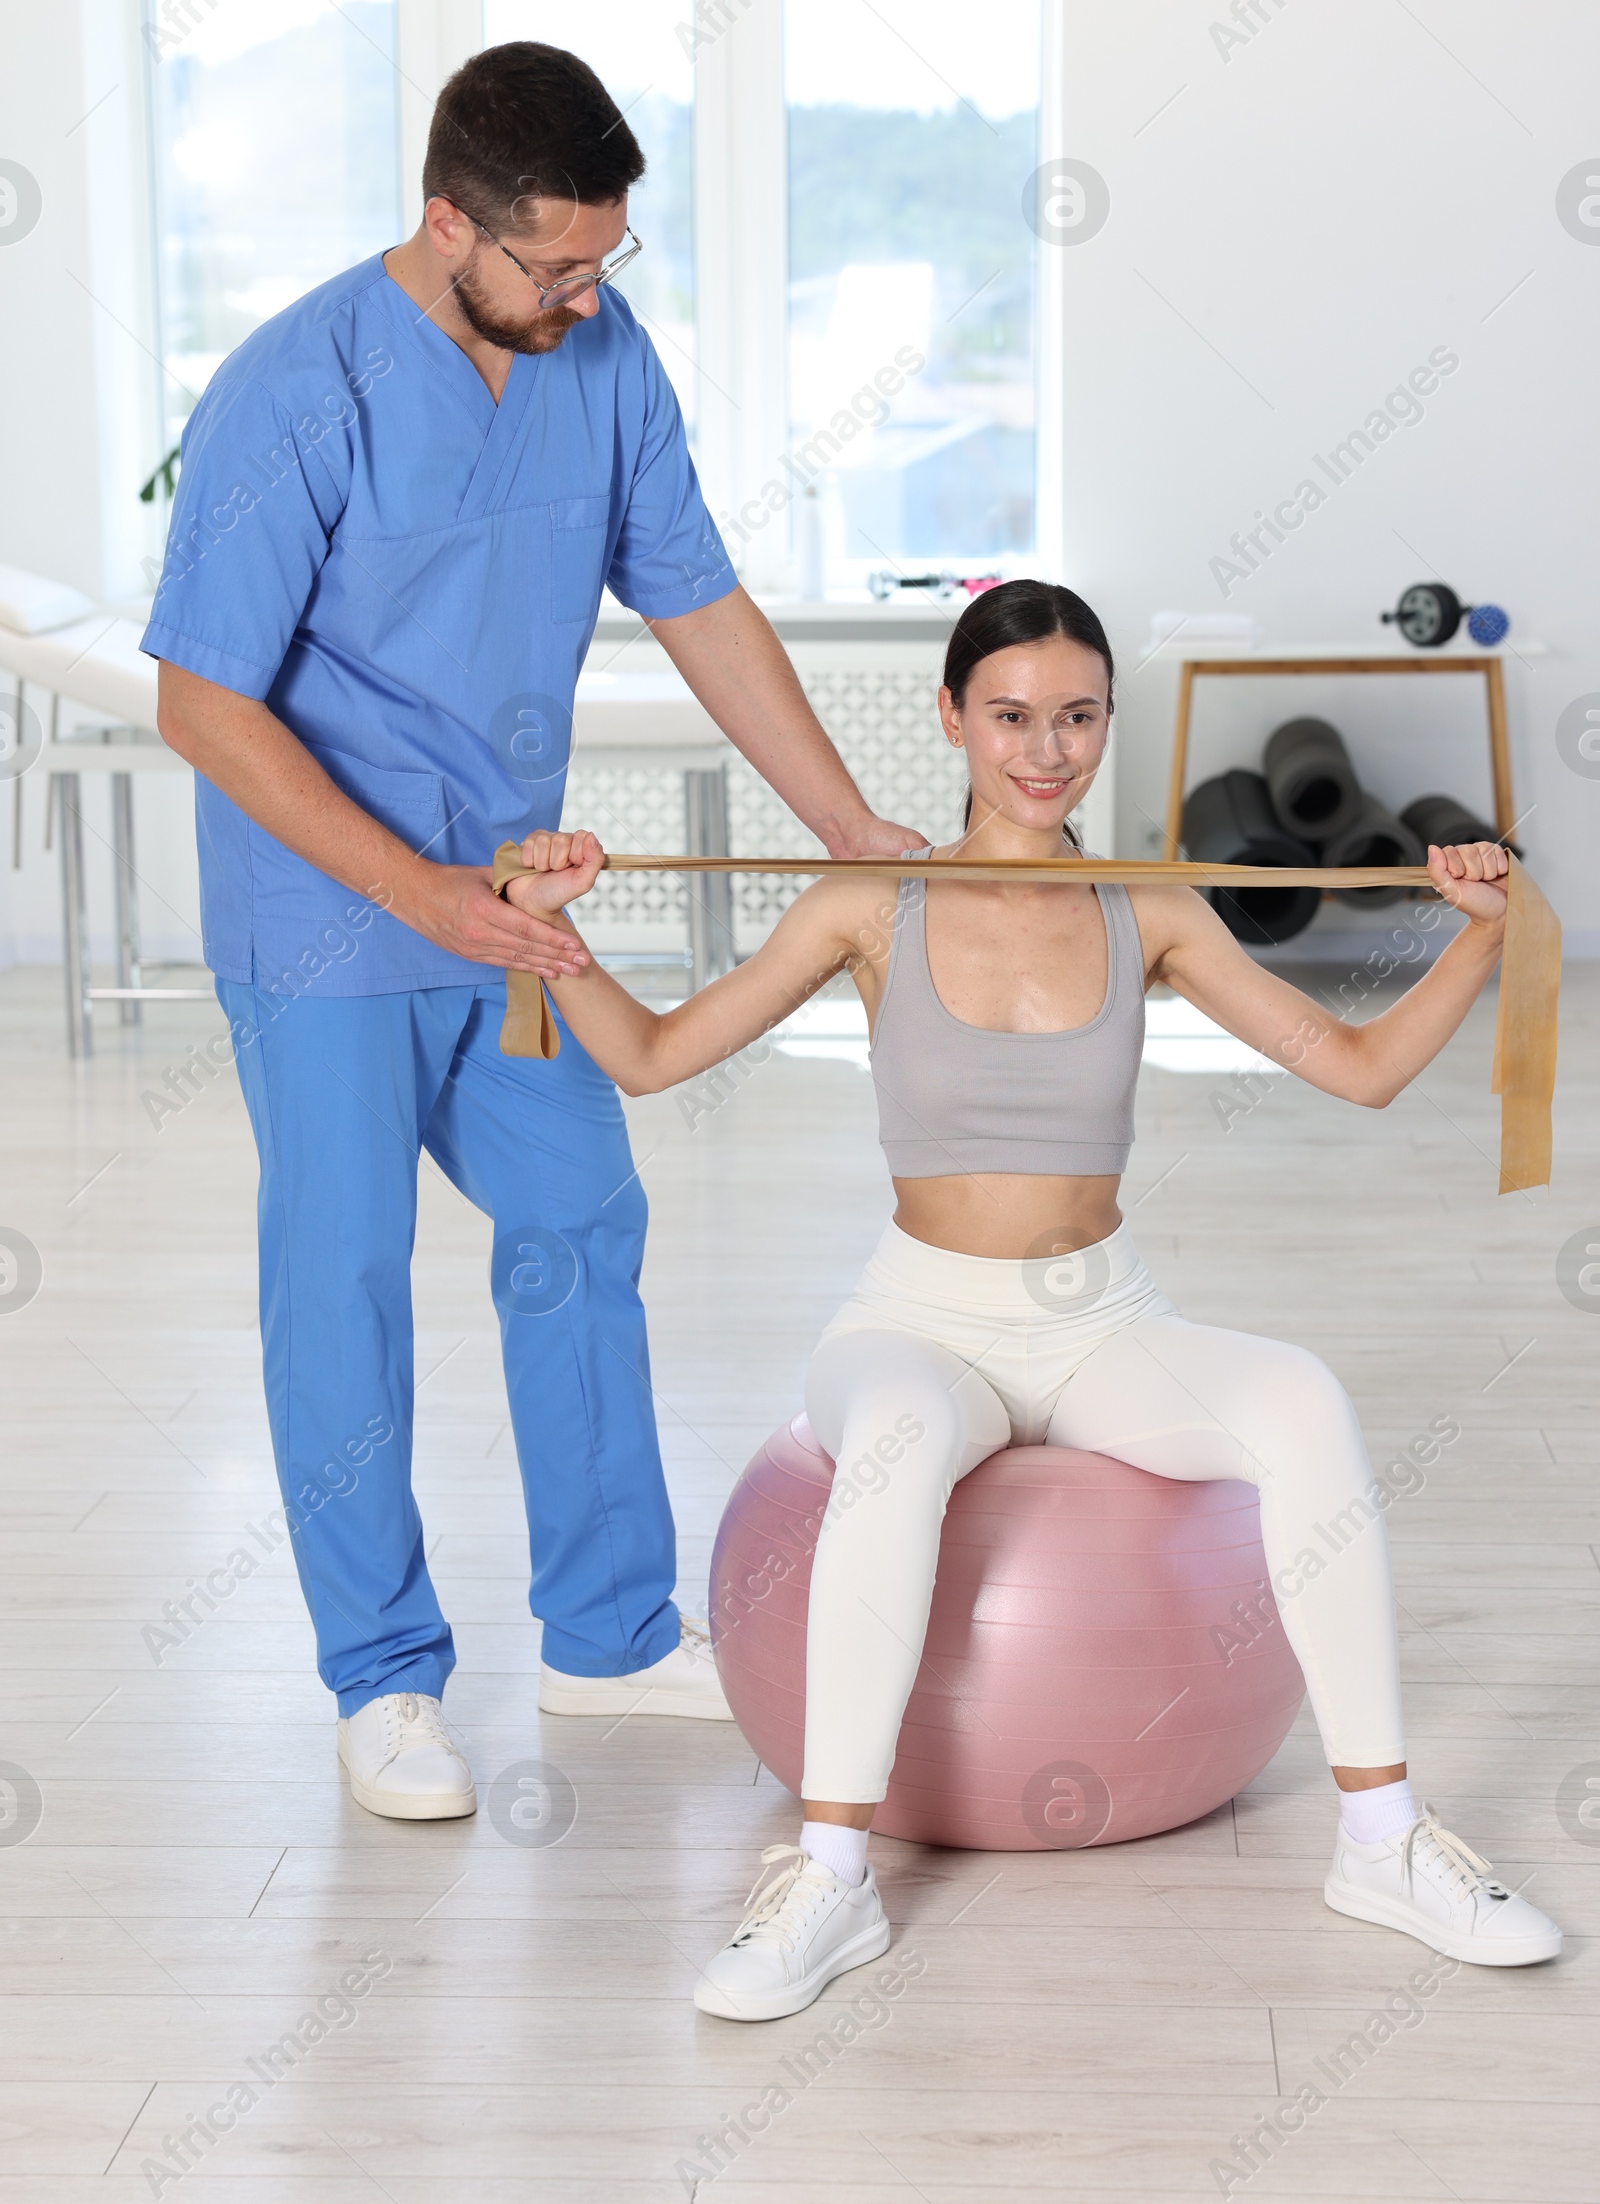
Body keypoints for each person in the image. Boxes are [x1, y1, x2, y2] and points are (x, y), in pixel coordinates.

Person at [501, 577, 1563, 2017]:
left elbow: (1358, 1067)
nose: (1043, 750)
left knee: (1304, 1400)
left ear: (1107, 724)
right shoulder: (871, 901)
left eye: (1074, 717)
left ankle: (1381, 1840)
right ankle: (830, 1879)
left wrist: (1481, 940)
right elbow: (652, 1054)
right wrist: (552, 934)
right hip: (915, 1323)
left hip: (1103, 1319)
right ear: (953, 719)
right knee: (890, 1449)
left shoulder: (1152, 907)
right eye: (1010, 717)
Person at [143, 41, 923, 1822]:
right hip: (327, 919)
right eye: (555, 266)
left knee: (580, 1213)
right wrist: (416, 892)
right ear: (448, 226)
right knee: (339, 1276)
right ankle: (384, 1682)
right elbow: (203, 705)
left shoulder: (607, 362)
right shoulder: (296, 388)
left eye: (605, 261)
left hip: (513, 911)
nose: (585, 294)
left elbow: (698, 598)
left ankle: (609, 1629)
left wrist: (852, 833)